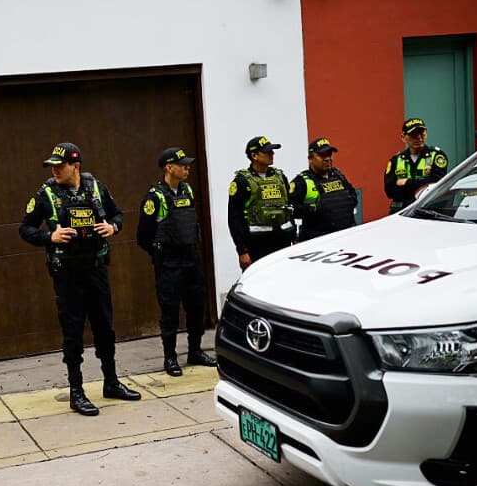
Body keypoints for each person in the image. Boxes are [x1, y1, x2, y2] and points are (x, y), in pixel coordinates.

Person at [19, 142, 141, 416]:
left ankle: (111, 383)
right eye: (52, 167)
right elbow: (25, 228)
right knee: (73, 333)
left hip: (96, 268)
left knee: (104, 328)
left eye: (60, 166)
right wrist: (48, 237)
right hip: (67, 273)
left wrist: (113, 227)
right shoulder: (46, 193)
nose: (55, 171)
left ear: (76, 165)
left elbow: (117, 214)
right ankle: (77, 392)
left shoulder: (96, 188)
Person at [136, 147, 218, 377]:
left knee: (196, 307)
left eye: (187, 164)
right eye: (182, 164)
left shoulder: (187, 190)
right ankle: (170, 357)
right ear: (168, 167)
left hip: (191, 258)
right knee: (170, 311)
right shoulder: (155, 196)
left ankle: (195, 351)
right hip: (169, 262)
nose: (187, 167)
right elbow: (143, 236)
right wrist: (159, 256)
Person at [227, 136, 295, 271]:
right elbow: (234, 218)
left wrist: (295, 236)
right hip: (256, 246)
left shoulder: (281, 177)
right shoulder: (241, 182)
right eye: (267, 152)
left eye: (272, 151)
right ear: (254, 156)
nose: (272, 154)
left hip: (283, 242)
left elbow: (288, 208)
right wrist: (242, 251)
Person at [289, 137, 358, 241]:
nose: (327, 159)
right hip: (319, 241)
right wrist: (312, 209)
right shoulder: (302, 181)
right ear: (310, 158)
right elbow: (290, 209)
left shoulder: (338, 175)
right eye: (322, 155)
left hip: (346, 236)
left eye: (329, 155)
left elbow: (353, 197)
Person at [383, 118, 449, 214]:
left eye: (421, 133)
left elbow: (437, 183)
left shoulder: (436, 155)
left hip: (427, 211)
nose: (419, 137)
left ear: (426, 133)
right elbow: (390, 190)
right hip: (401, 211)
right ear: (403, 137)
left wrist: (406, 182)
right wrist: (422, 183)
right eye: (413, 134)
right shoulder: (396, 160)